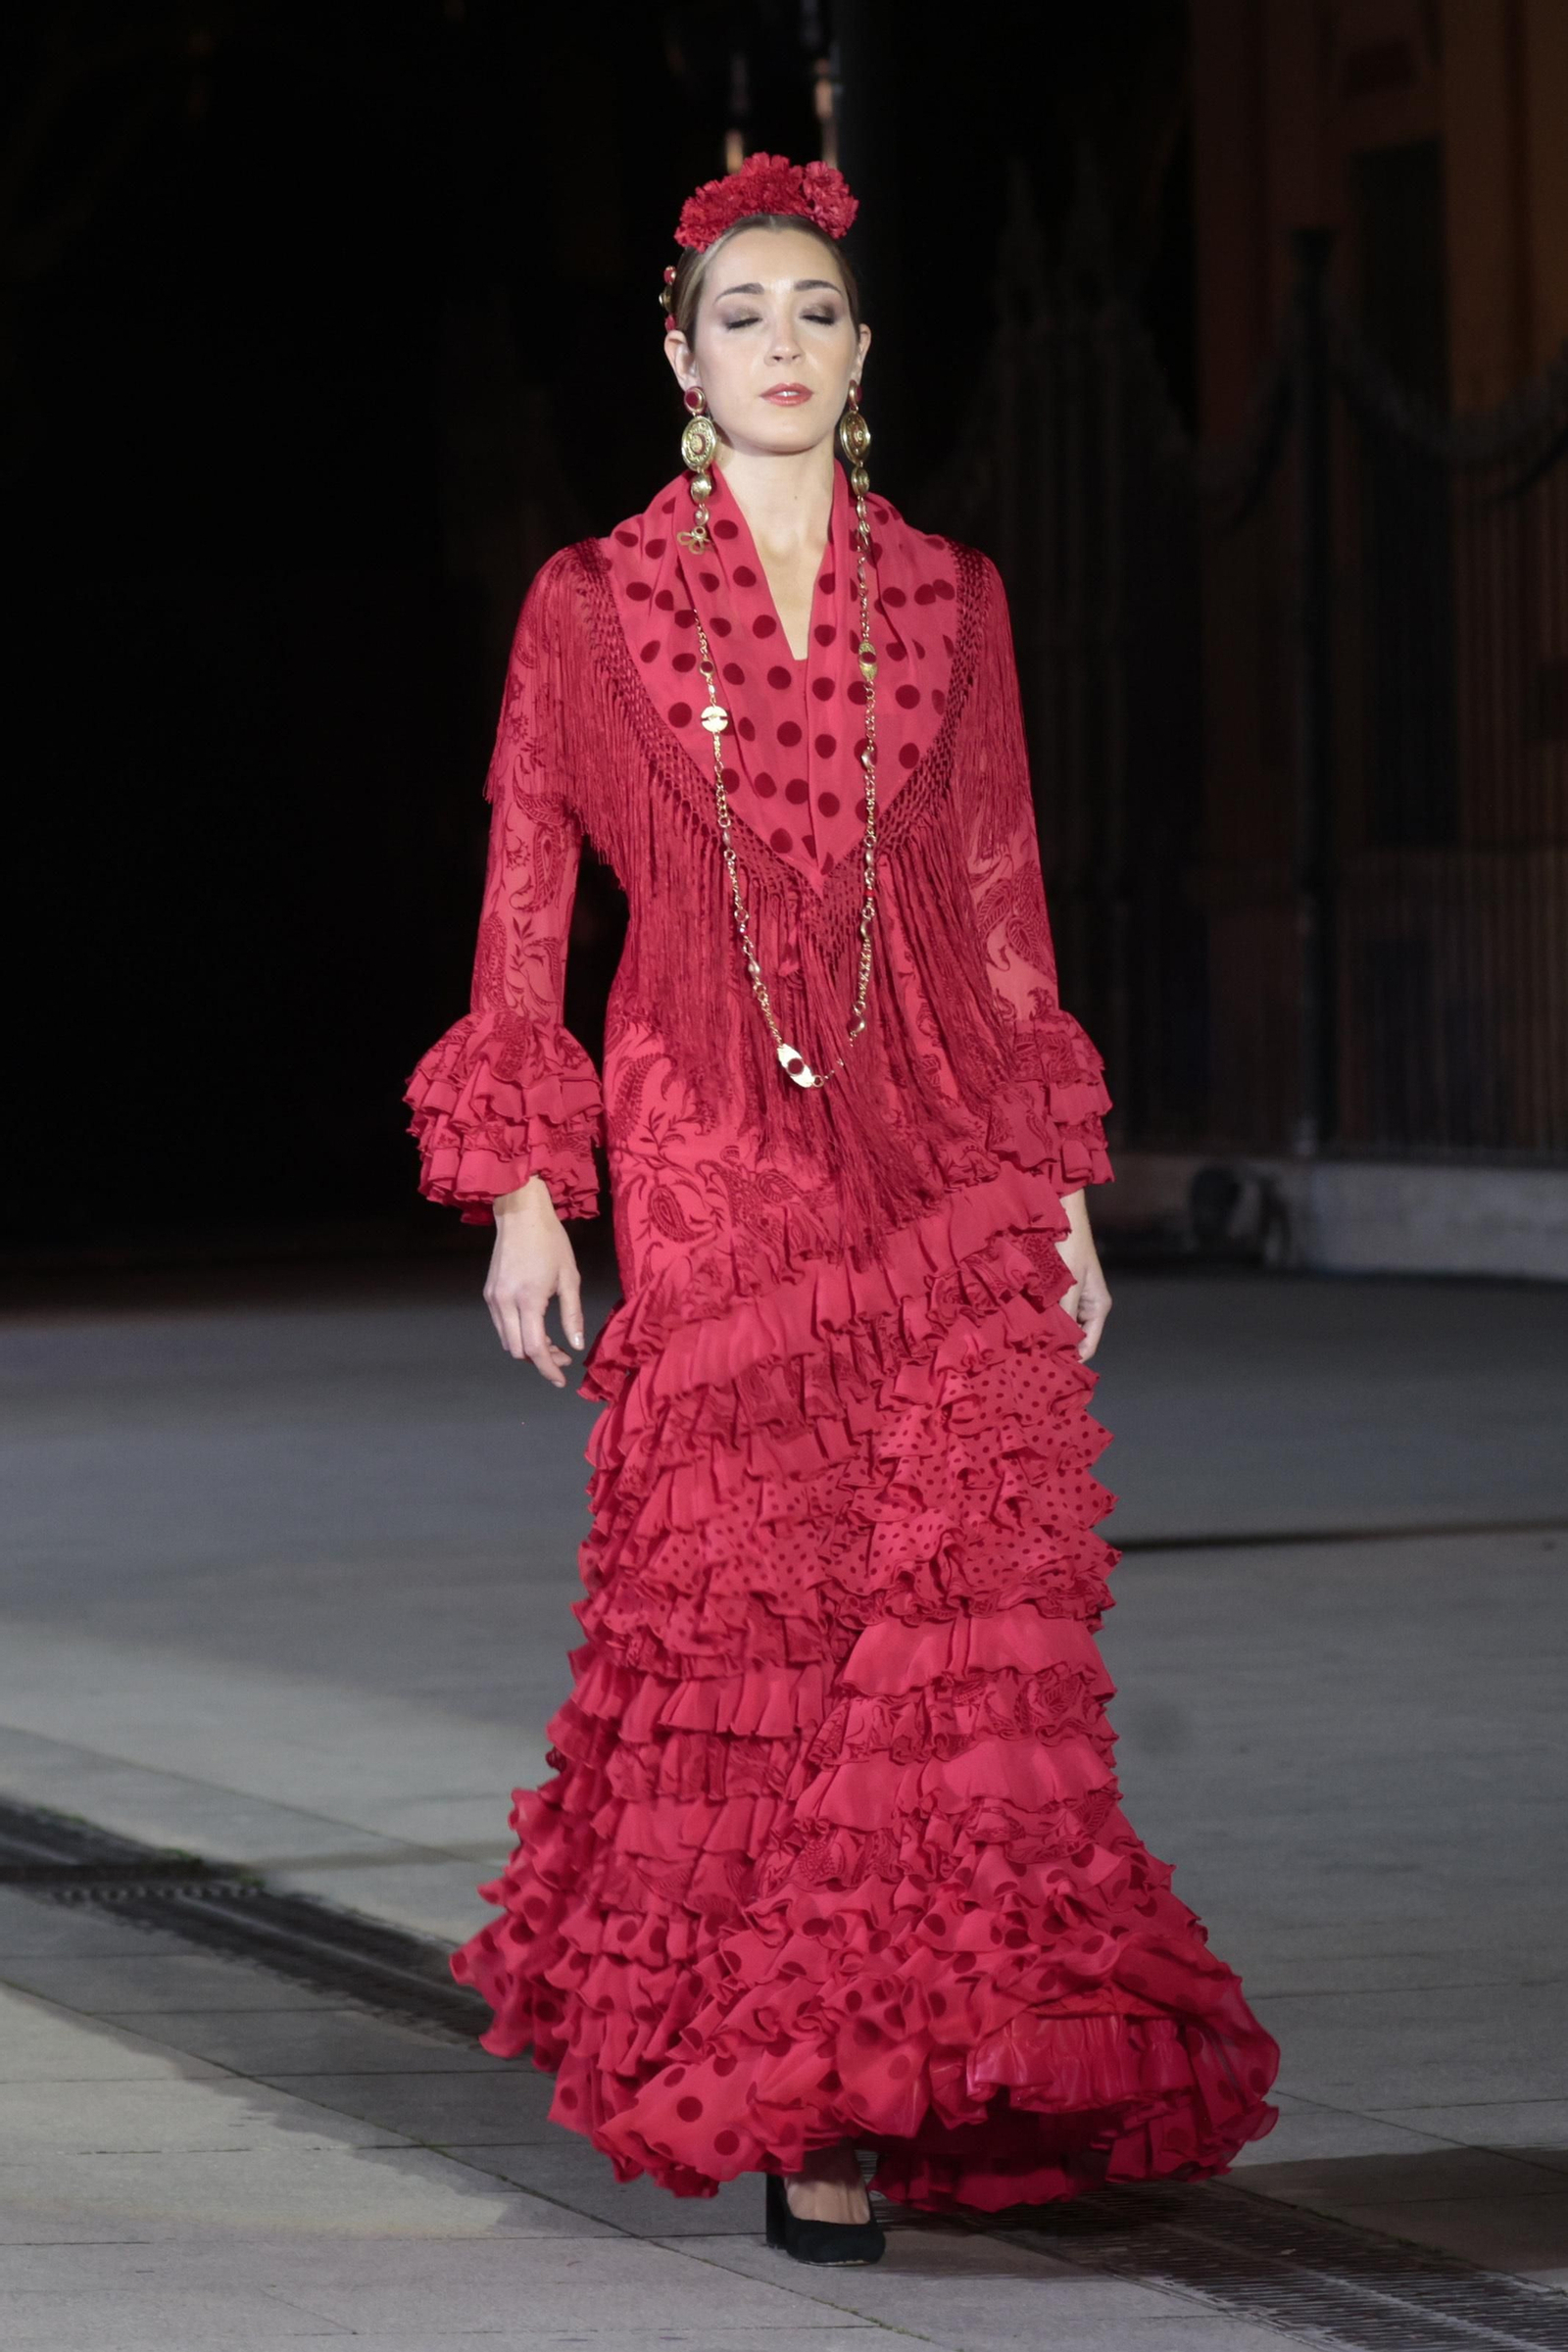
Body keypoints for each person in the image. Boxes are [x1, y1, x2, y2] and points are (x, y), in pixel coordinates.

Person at [406, 151, 1279, 2267]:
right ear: (681, 361)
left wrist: (1056, 1184)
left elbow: (997, 904)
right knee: (775, 1624)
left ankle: (954, 2056)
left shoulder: (953, 600)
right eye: (741, 317)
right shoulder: (587, 605)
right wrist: (530, 1190)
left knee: (967, 1622)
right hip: (711, 1151)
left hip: (944, 1149)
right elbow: (527, 904)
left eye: (814, 313)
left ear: (861, 357)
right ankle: (813, 2109)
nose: (780, 346)